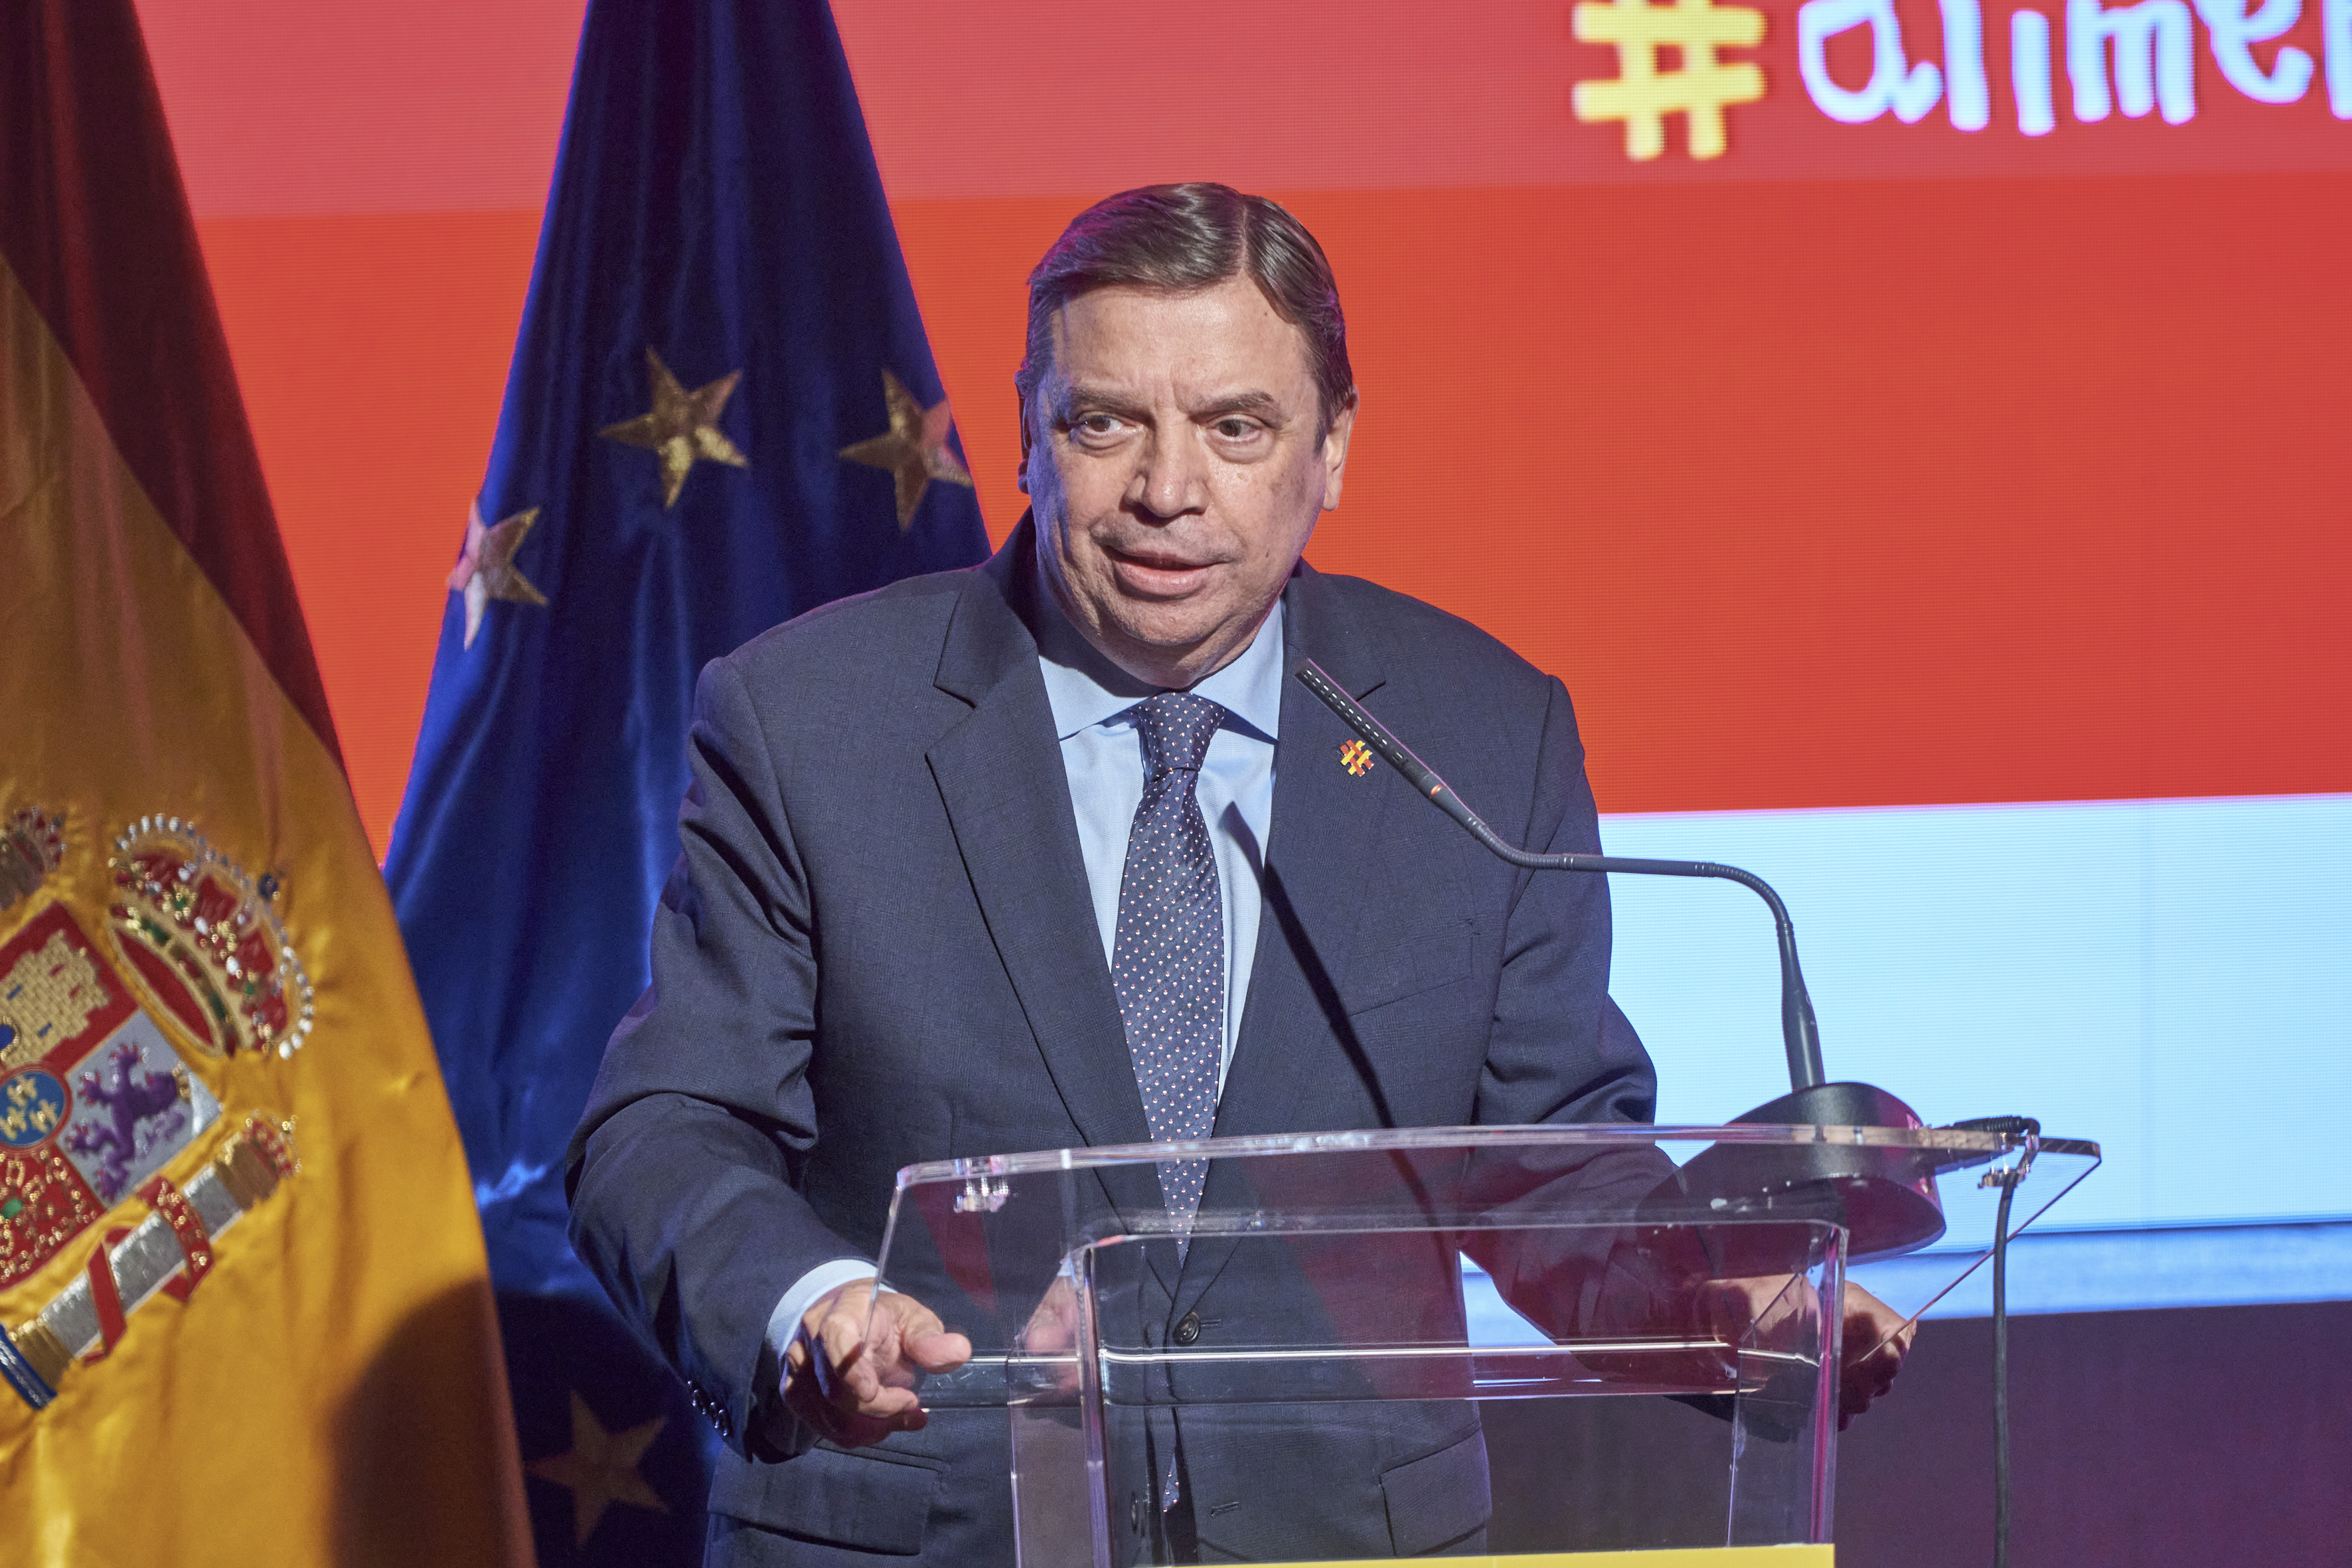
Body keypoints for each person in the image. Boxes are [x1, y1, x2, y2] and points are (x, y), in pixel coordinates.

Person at [566, 183, 1911, 1566]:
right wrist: (813, 1305)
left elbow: (1542, 1162)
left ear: (1331, 448)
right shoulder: (810, 721)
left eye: (1235, 427)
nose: (1167, 491)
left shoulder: (1481, 735)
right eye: (1105, 423)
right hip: (931, 1531)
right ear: (1028, 431)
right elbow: (662, 1130)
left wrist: (1716, 1298)